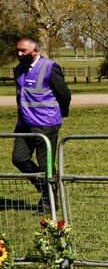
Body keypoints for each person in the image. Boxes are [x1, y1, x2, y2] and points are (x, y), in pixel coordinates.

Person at [12, 38, 71, 215]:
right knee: (19, 159)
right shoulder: (18, 70)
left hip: (46, 124)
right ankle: (48, 188)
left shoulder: (50, 67)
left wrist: (59, 114)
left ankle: (48, 204)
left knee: (46, 165)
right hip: (24, 124)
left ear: (35, 51)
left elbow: (64, 94)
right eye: (18, 50)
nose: (19, 54)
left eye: (23, 51)